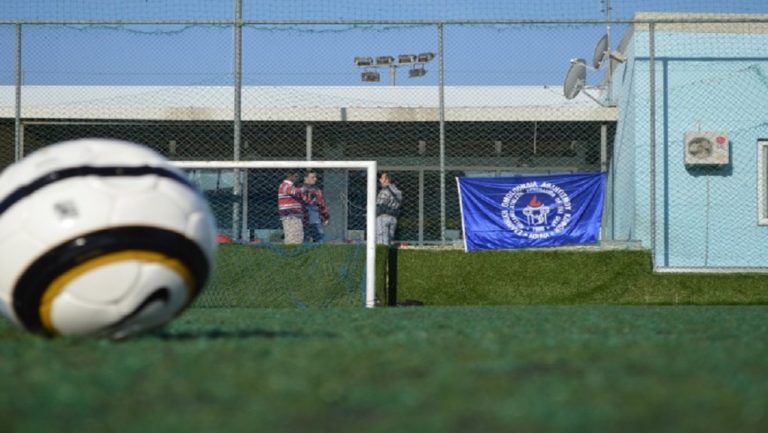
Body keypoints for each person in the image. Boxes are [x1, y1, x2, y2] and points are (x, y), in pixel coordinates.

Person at [300, 170, 330, 243]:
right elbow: (321, 204)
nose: (315, 179)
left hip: (304, 220)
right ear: (305, 178)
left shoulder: (299, 190)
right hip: (314, 220)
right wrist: (326, 216)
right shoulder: (316, 191)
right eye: (313, 177)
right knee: (319, 241)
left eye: (315, 177)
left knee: (306, 241)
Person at [277, 170, 304, 244]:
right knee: (293, 237)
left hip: (293, 215)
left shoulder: (289, 186)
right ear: (290, 176)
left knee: (296, 236)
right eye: (296, 176)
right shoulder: (285, 185)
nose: (297, 178)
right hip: (290, 215)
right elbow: (294, 191)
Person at [375, 172, 402, 245]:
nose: (380, 180)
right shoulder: (398, 192)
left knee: (381, 240)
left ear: (387, 180)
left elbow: (380, 206)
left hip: (383, 217)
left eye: (382, 178)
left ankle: (381, 256)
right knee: (390, 240)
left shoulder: (384, 192)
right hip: (393, 218)